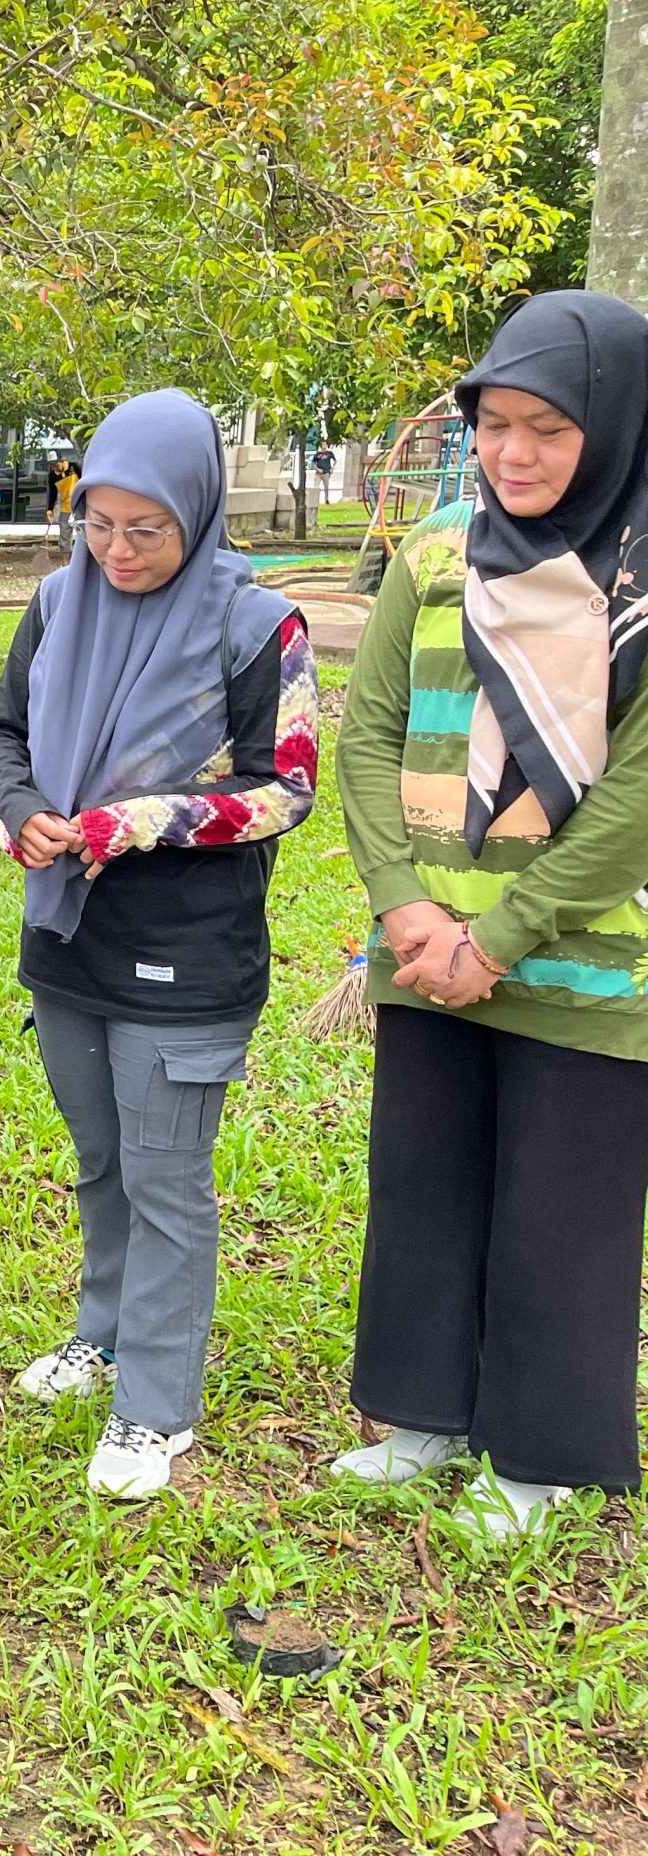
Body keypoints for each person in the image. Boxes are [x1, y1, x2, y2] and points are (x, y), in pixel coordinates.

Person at [333, 291, 648, 1539]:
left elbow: (635, 793)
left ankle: (538, 1453)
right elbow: (364, 735)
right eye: (493, 425)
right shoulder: (433, 557)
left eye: (547, 430)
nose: (510, 454)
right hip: (425, 952)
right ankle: (422, 1418)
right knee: (423, 1183)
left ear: (615, 426)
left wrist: (501, 936)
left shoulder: (636, 576)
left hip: (584, 963)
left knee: (558, 1204)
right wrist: (405, 909)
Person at [0, 390, 318, 1499]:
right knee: (102, 1161)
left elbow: (288, 790)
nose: (118, 551)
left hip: (187, 949)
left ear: (198, 512)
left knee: (168, 1179)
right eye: (99, 524)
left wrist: (144, 821)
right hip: (67, 931)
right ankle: (105, 1333)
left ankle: (155, 1408)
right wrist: (16, 805)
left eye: (147, 530)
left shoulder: (258, 625)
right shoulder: (53, 603)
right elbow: (3, 733)